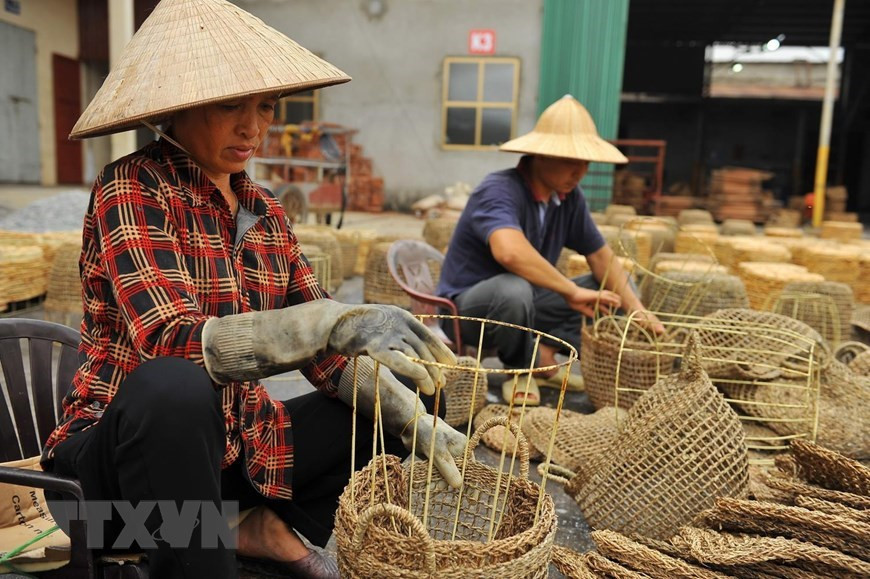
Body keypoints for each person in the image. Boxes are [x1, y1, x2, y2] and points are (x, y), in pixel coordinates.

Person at [40, 1, 466, 577]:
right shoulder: (133, 187)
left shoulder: (264, 210)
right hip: (114, 486)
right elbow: (171, 341)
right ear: (180, 107)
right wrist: (325, 325)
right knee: (175, 388)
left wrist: (407, 412)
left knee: (411, 387)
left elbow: (329, 354)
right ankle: (206, 555)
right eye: (230, 105)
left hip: (233, 449)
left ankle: (251, 530)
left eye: (265, 107)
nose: (253, 127)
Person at [436, 95, 664, 406]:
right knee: (512, 289)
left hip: (528, 303)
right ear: (540, 156)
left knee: (609, 287)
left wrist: (637, 309)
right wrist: (570, 291)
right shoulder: (498, 189)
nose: (580, 172)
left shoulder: (568, 198)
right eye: (571, 162)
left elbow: (600, 256)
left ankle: (542, 353)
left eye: (585, 163)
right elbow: (509, 253)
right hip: (468, 310)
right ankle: (519, 370)